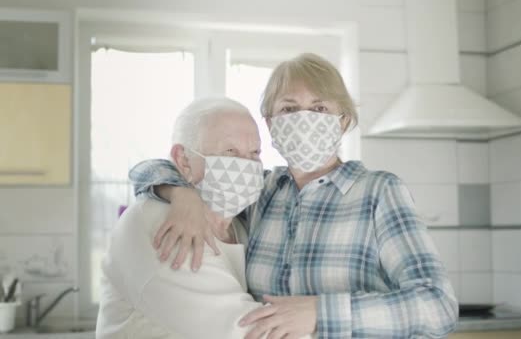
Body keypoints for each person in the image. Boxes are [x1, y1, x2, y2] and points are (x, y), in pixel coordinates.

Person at [129, 53, 458, 338]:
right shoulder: (259, 190)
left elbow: (437, 304)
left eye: (319, 107)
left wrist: (320, 313)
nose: (304, 119)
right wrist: (180, 193)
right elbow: (158, 165)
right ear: (270, 126)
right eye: (289, 109)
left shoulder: (379, 192)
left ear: (342, 122)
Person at [97, 98, 273, 339]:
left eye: (254, 152)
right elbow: (244, 330)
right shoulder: (161, 222)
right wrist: (323, 316)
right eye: (230, 152)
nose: (247, 166)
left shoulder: (240, 224)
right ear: (183, 159)